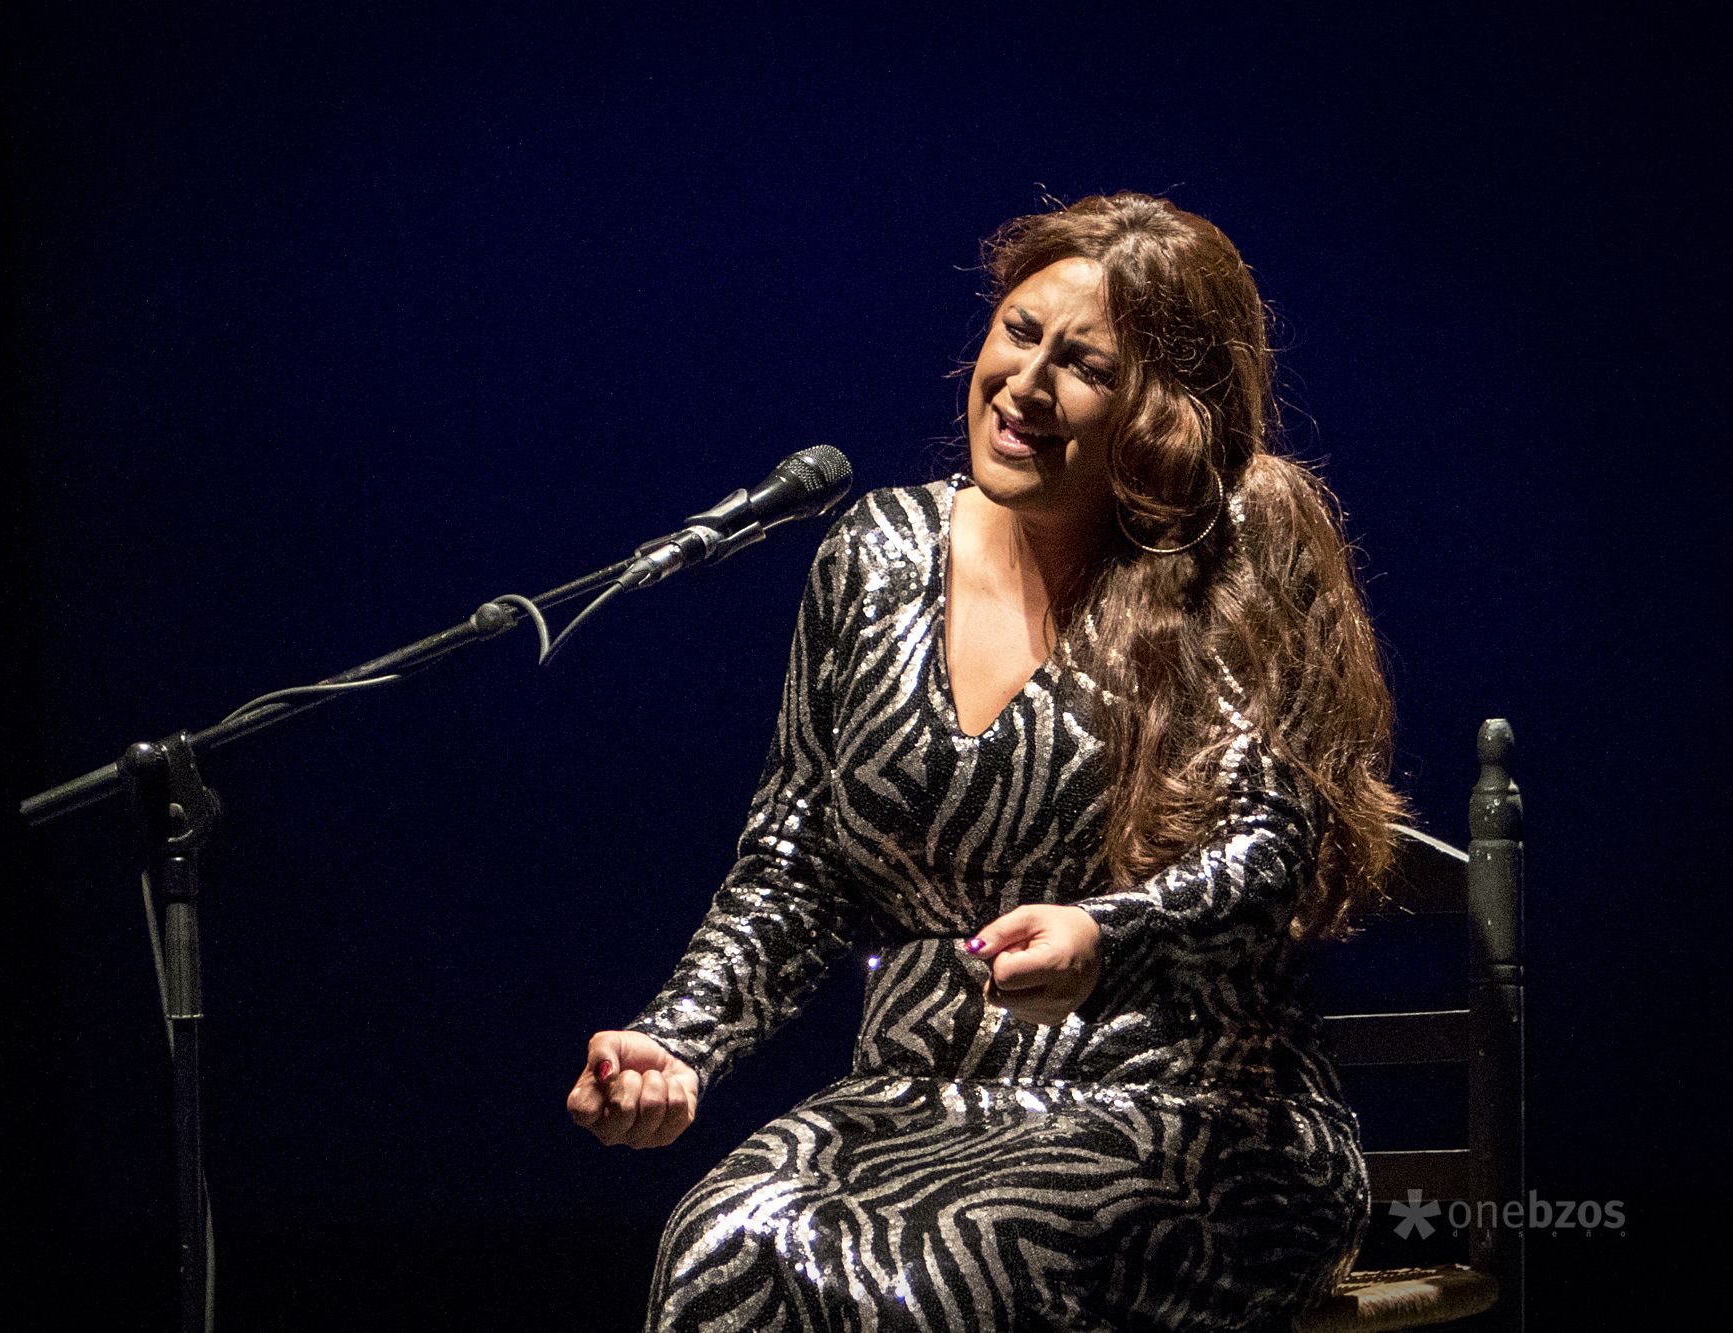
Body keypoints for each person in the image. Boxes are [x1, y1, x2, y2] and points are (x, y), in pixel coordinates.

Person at [566, 191, 1405, 1332]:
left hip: (1189, 1110)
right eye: (1018, 332)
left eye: (1086, 367)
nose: (1026, 383)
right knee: (722, 1244)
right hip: (912, 1101)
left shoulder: (1233, 555)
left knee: (939, 1279)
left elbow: (1274, 844)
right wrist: (676, 1041)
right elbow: (795, 866)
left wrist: (1109, 933)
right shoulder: (874, 556)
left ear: (1163, 413)